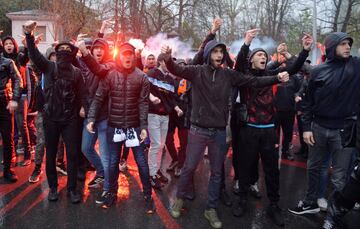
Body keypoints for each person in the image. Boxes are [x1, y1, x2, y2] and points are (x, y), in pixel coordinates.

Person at [161, 39, 290, 228]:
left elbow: (253, 80)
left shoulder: (228, 74)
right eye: (215, 52)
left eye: (221, 52)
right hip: (198, 129)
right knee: (188, 167)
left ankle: (210, 208)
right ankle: (180, 199)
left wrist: (276, 78)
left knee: (216, 172)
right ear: (208, 55)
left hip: (219, 131)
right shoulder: (196, 71)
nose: (219, 56)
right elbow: (175, 70)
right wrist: (167, 57)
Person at [232, 29, 312, 227]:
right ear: (251, 60)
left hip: (269, 130)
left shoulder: (271, 73)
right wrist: (247, 42)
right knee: (245, 166)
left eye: (264, 55)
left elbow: (293, 69)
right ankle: (242, 199)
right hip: (249, 129)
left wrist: (304, 51)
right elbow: (239, 62)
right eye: (259, 55)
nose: (262, 57)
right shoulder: (245, 75)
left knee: (272, 171)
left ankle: (274, 206)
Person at [289, 32, 360, 215]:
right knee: (314, 168)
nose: (347, 47)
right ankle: (310, 202)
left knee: (339, 176)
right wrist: (305, 129)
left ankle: (334, 215)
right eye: (342, 43)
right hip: (318, 128)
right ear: (331, 47)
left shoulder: (356, 66)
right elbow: (307, 103)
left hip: (345, 130)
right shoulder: (318, 71)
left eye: (348, 44)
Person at [86, 42, 155, 213]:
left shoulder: (142, 77)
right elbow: (99, 97)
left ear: (134, 56)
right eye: (124, 54)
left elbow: (143, 103)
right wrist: (91, 118)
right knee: (112, 163)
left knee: (141, 163)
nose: (127, 56)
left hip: (134, 127)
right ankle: (111, 193)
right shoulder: (110, 75)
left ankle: (147, 195)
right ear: (119, 56)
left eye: (130, 53)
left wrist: (144, 126)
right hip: (114, 126)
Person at [24, 20, 86, 204]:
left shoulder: (76, 72)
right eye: (61, 50)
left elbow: (83, 94)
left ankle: (73, 189)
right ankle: (52, 188)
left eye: (68, 51)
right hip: (51, 118)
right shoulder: (49, 67)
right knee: (50, 154)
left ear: (72, 54)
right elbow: (34, 55)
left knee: (73, 154)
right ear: (56, 53)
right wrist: (29, 36)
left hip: (70, 120)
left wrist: (83, 107)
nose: (64, 53)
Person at [146, 53, 183, 189]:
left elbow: (172, 98)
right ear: (160, 61)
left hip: (165, 116)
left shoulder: (171, 79)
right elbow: (143, 89)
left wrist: (177, 108)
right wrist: (151, 97)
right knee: (156, 144)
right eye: (167, 62)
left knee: (161, 145)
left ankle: (156, 171)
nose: (170, 65)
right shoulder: (151, 73)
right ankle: (151, 175)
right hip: (153, 114)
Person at [0, 39, 22, 182]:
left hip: (4, 103)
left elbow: (18, 80)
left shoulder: (7, 62)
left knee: (8, 138)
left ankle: (8, 169)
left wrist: (14, 99)